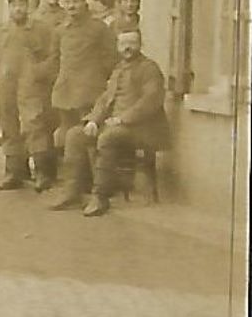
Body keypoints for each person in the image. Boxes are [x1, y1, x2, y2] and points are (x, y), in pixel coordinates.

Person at [50, 30, 169, 217]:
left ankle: (100, 197)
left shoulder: (149, 69)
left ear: (140, 45)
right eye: (123, 44)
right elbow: (105, 99)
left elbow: (151, 101)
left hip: (143, 129)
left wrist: (123, 119)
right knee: (75, 135)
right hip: (115, 126)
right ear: (118, 47)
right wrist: (93, 120)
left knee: (108, 137)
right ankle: (71, 192)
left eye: (132, 43)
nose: (127, 48)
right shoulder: (118, 69)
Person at [0, 0, 56, 191]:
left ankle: (42, 172)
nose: (18, 9)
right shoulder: (0, 32)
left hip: (31, 87)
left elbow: (53, 57)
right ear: (9, 8)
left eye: (22, 5)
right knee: (9, 127)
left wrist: (38, 73)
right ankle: (15, 172)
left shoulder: (41, 30)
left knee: (34, 125)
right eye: (14, 6)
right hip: (5, 87)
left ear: (28, 7)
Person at [46, 0, 120, 163]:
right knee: (66, 134)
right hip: (65, 90)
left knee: (87, 134)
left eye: (75, 2)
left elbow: (111, 58)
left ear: (83, 3)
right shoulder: (60, 30)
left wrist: (98, 76)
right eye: (67, 2)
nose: (71, 6)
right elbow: (54, 59)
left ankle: (89, 177)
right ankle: (73, 175)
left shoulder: (99, 28)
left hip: (90, 90)